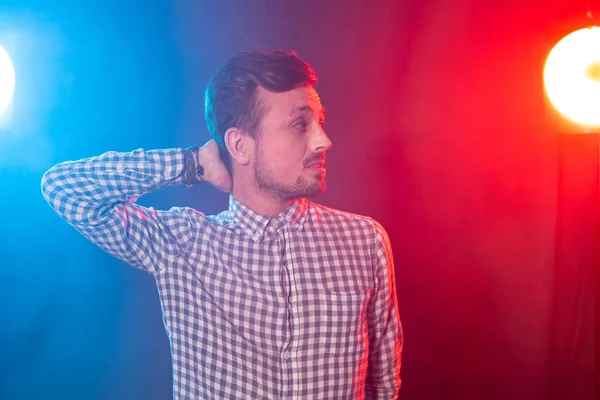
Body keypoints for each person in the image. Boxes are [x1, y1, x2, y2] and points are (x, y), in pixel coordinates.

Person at [42, 50, 402, 399]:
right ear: (239, 145)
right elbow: (65, 190)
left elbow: (383, 386)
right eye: (299, 124)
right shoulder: (181, 244)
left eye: (319, 122)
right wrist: (192, 163)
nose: (323, 140)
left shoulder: (364, 241)